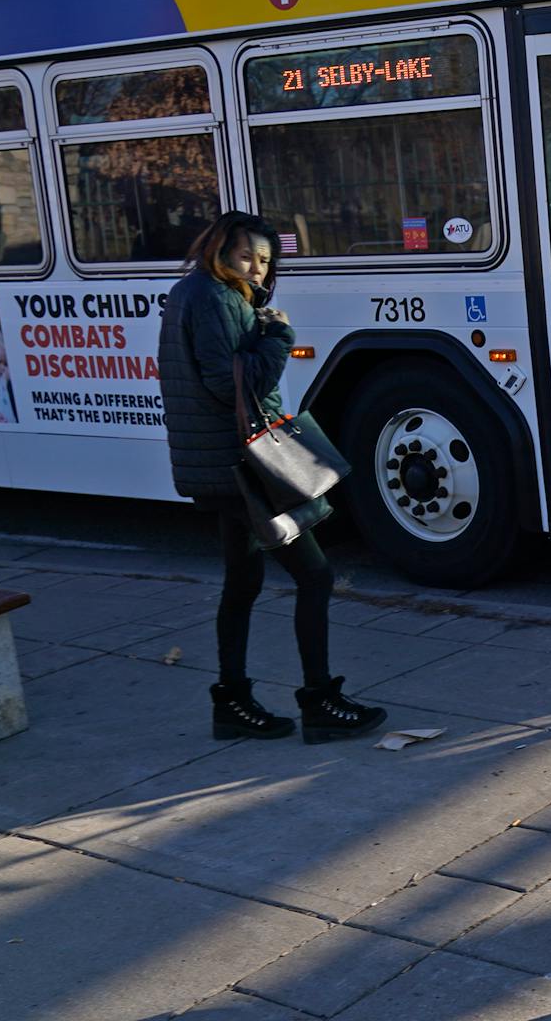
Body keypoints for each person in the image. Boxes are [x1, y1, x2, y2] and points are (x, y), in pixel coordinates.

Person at [158, 211, 386, 744]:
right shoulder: (214, 297)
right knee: (315, 575)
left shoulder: (195, 293)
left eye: (265, 260)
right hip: (239, 465)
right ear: (220, 251)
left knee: (244, 579)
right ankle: (320, 700)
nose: (257, 270)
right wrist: (278, 336)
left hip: (219, 462)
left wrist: (258, 325)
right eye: (247, 257)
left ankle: (232, 703)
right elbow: (229, 385)